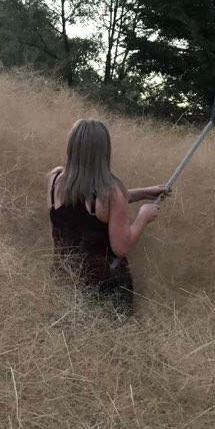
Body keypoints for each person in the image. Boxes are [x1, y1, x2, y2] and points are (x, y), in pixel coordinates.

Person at [48, 118, 170, 320]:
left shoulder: (55, 179)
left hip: (64, 281)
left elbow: (82, 201)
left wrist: (141, 193)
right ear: (104, 151)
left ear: (72, 146)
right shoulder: (112, 191)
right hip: (105, 288)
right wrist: (143, 216)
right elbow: (121, 247)